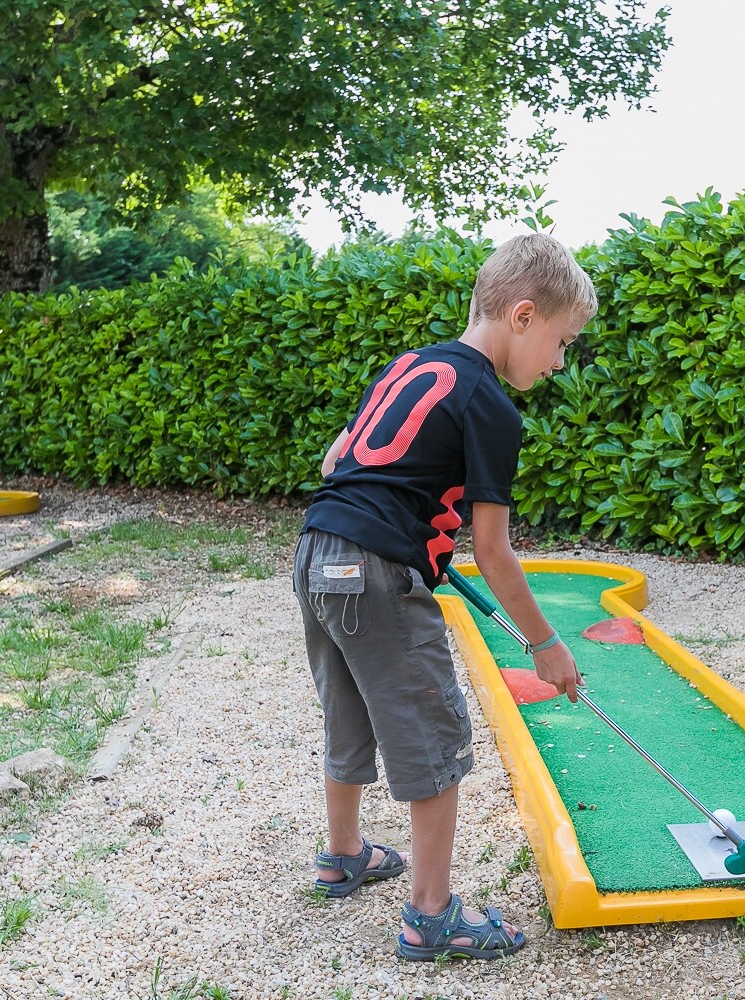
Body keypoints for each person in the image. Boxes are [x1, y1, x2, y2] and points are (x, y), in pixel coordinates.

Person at [292, 232, 594, 961]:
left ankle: (344, 855)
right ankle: (431, 917)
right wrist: (547, 647)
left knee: (350, 708)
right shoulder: (490, 405)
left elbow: (341, 455)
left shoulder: (413, 366)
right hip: (377, 573)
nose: (559, 363)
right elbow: (493, 551)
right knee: (434, 735)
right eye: (562, 342)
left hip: (315, 553)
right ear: (522, 316)